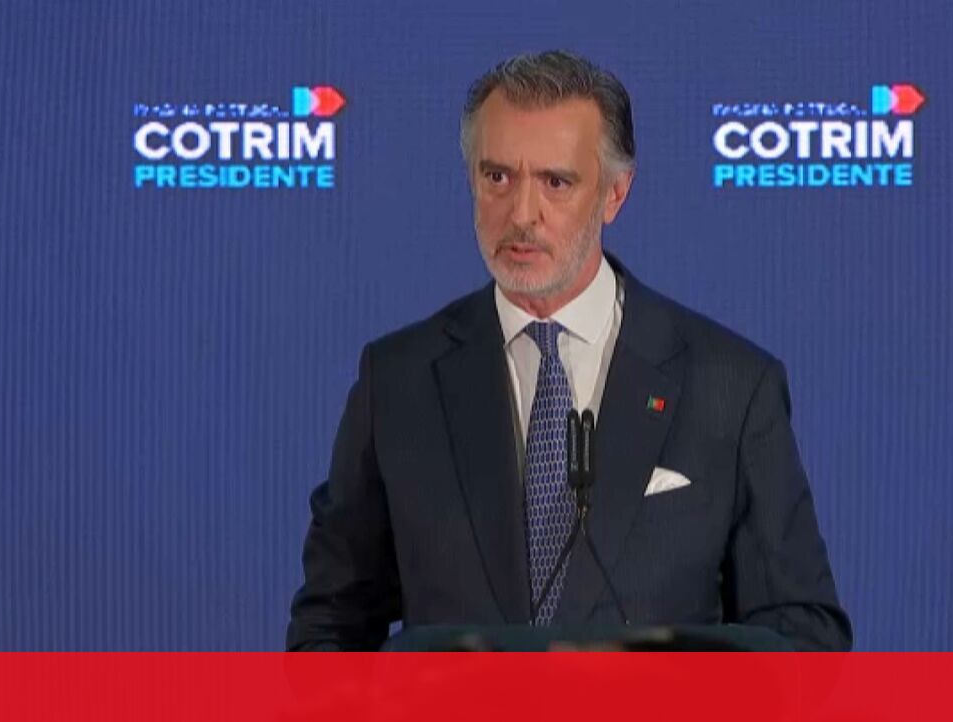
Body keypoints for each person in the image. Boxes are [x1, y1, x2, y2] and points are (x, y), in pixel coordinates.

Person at [286, 50, 851, 651]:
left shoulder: (730, 386)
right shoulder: (399, 381)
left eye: (555, 182)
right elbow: (327, 630)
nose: (521, 214)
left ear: (615, 193)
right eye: (497, 178)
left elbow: (805, 638)